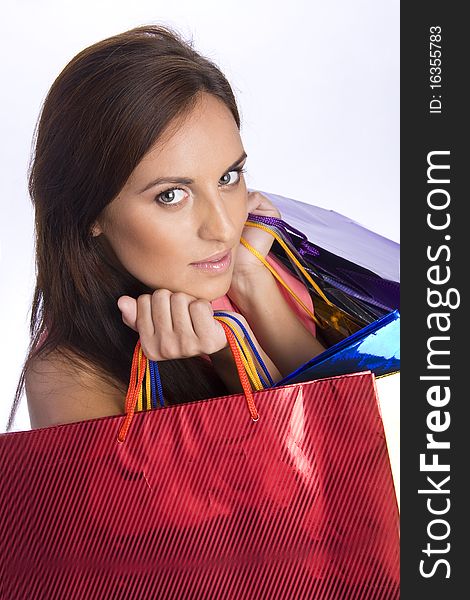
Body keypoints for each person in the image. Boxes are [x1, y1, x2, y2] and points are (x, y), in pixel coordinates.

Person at [6, 24, 324, 432]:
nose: (224, 227)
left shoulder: (254, 262)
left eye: (229, 177)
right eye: (171, 195)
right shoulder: (70, 377)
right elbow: (314, 474)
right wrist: (230, 357)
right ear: (90, 215)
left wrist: (252, 285)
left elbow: (366, 418)